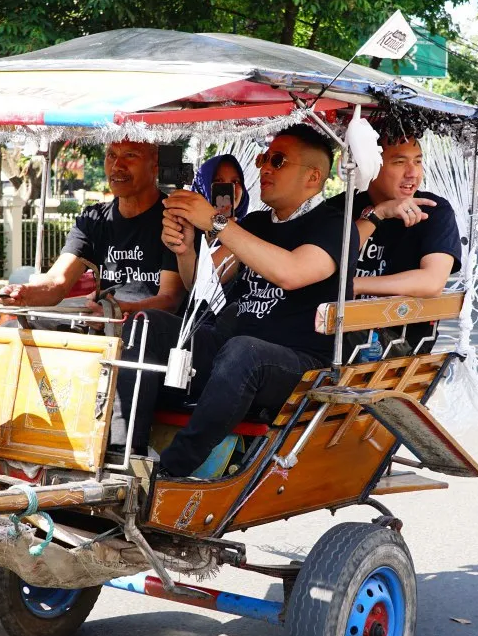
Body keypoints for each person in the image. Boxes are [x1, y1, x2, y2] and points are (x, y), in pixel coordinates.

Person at [110, 124, 355, 478]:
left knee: (244, 351)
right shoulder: (255, 223)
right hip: (231, 351)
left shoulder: (333, 225)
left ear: (313, 177)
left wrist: (217, 221)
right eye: (263, 158)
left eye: (278, 160)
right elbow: (202, 284)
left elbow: (292, 272)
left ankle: (170, 470)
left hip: (299, 364)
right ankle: (123, 451)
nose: (264, 168)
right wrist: (183, 249)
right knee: (150, 325)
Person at [0, 140, 183, 315]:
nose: (117, 166)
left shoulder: (174, 218)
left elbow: (170, 299)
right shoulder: (93, 219)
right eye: (111, 155)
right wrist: (25, 293)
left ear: (155, 165)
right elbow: (58, 281)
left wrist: (121, 309)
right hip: (103, 325)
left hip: (149, 333)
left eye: (130, 155)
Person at [325, 134, 460, 350]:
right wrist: (378, 214)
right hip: (330, 337)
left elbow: (432, 281)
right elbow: (325, 263)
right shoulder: (339, 209)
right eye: (399, 162)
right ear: (370, 165)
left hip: (398, 346)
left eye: (417, 161)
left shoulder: (433, 211)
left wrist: (354, 285)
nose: (412, 173)